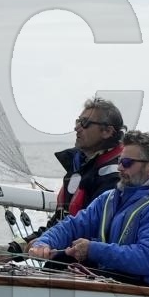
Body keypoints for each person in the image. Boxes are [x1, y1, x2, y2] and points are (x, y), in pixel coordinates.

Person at [27, 130, 149, 289]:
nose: (119, 167)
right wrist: (44, 242)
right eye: (119, 160)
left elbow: (148, 259)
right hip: (113, 285)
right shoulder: (109, 199)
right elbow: (73, 226)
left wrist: (93, 249)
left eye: (127, 162)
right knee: (56, 266)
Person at [38, 97, 125, 234]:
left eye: (85, 123)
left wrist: (44, 241)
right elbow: (59, 223)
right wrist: (23, 243)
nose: (76, 128)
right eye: (78, 121)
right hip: (60, 241)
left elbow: (90, 230)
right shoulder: (80, 167)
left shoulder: (116, 177)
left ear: (107, 132)